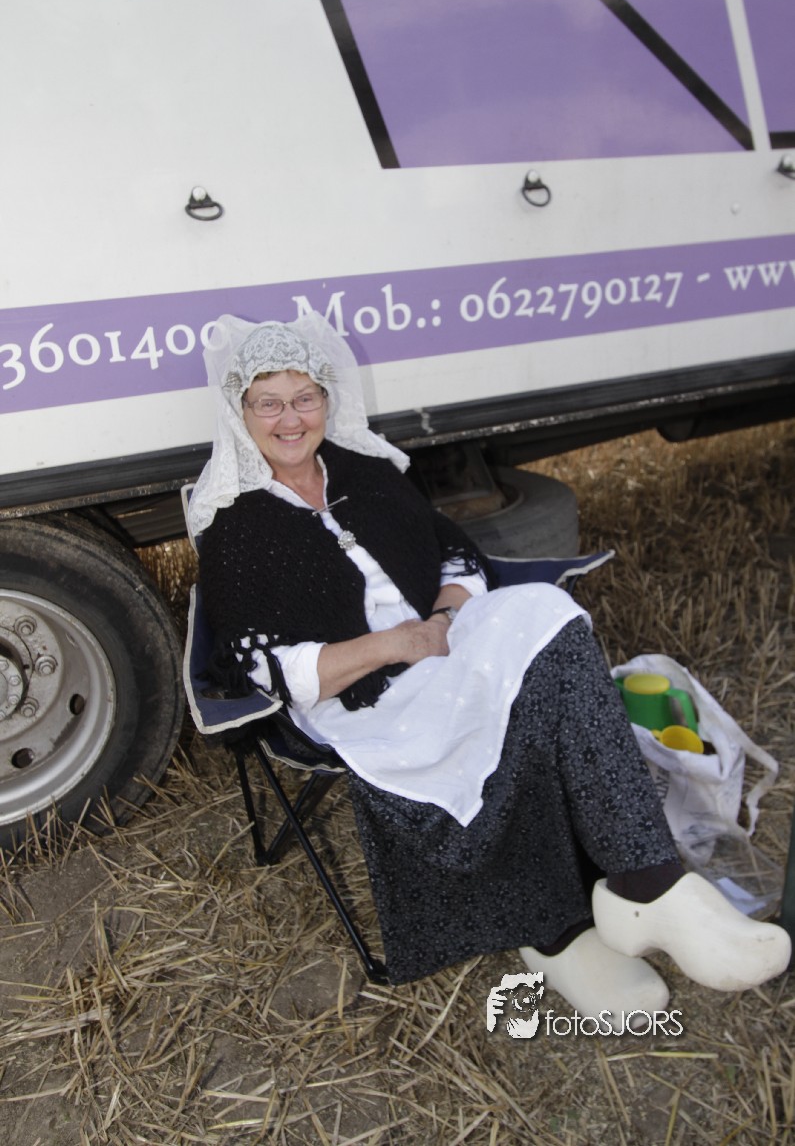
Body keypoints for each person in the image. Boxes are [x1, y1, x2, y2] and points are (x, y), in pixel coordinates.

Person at [189, 311, 791, 1019]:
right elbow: (264, 665)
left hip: (439, 640)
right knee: (521, 710)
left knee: (546, 615)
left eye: (304, 398)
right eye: (268, 402)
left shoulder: (366, 471)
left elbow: (454, 553)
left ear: (327, 399)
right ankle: (559, 932)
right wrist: (396, 645)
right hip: (360, 694)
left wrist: (441, 623)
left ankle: (647, 884)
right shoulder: (234, 523)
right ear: (240, 412)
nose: (290, 419)